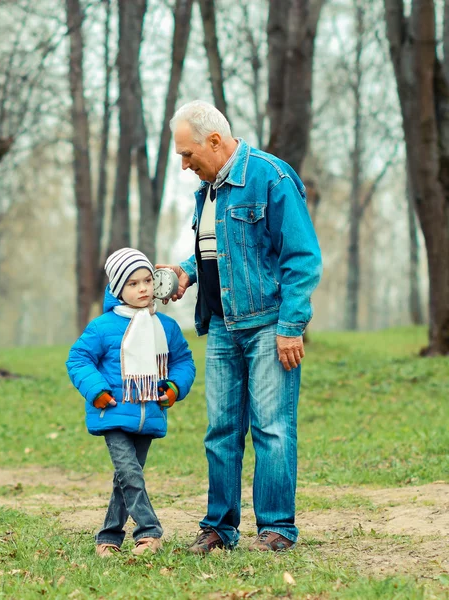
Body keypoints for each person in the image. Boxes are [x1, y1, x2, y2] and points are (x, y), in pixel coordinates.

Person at [159, 100, 322, 553]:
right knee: (221, 430)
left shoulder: (271, 177)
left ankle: (276, 529)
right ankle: (219, 527)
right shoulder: (208, 190)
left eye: (188, 155)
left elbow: (302, 258)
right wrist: (185, 272)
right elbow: (218, 251)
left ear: (215, 141)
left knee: (272, 428)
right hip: (222, 326)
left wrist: (291, 325)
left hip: (270, 325)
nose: (185, 165)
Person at [66, 248, 196, 557]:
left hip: (149, 412)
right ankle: (149, 531)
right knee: (130, 473)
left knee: (125, 478)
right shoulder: (103, 327)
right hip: (112, 412)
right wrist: (96, 389)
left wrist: (175, 387)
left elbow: (184, 362)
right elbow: (79, 359)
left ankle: (108, 537)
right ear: (117, 289)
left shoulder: (165, 327)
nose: (143, 289)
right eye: (133, 283)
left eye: (148, 281)